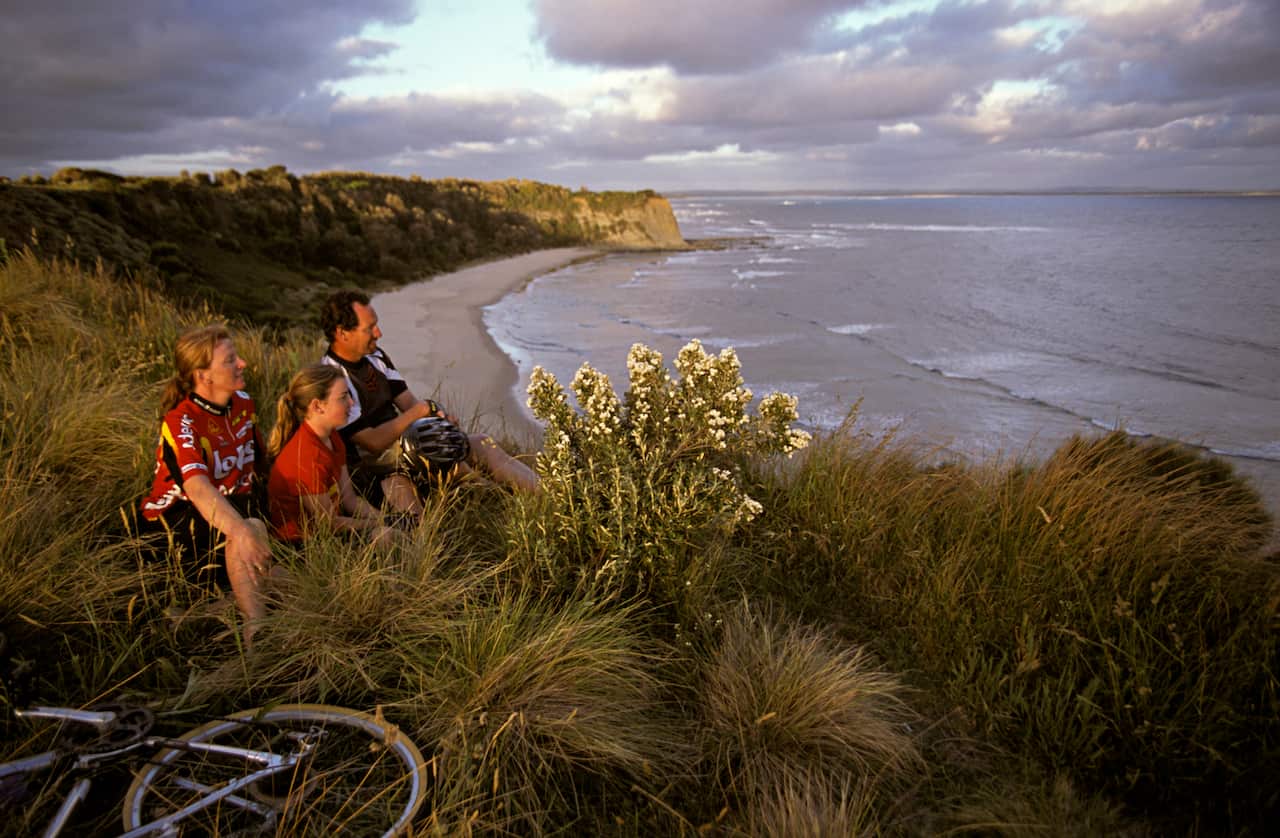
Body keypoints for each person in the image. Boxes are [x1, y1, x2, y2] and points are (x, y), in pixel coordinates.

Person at [319, 289, 539, 515]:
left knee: (481, 444)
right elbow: (372, 443)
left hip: (410, 446)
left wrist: (438, 420)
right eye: (369, 328)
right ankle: (486, 499)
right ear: (342, 333)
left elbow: (408, 401)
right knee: (410, 489)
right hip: (373, 468)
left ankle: (551, 497)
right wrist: (418, 414)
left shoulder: (376, 357)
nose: (379, 333)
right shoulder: (332, 379)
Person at [140, 325, 272, 647]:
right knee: (251, 530)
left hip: (227, 514)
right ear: (204, 375)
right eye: (229, 360)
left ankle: (195, 618)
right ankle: (259, 634)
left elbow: (261, 462)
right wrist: (241, 531)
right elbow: (198, 489)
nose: (242, 364)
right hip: (175, 524)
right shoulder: (180, 420)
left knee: (293, 584)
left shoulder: (243, 403)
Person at [266, 364, 397, 547]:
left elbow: (349, 499)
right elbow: (328, 524)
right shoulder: (306, 456)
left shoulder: (332, 436)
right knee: (384, 536)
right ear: (317, 406)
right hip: (302, 545)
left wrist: (388, 518)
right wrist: (379, 524)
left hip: (328, 533)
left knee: (394, 529)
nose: (351, 403)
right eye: (343, 397)